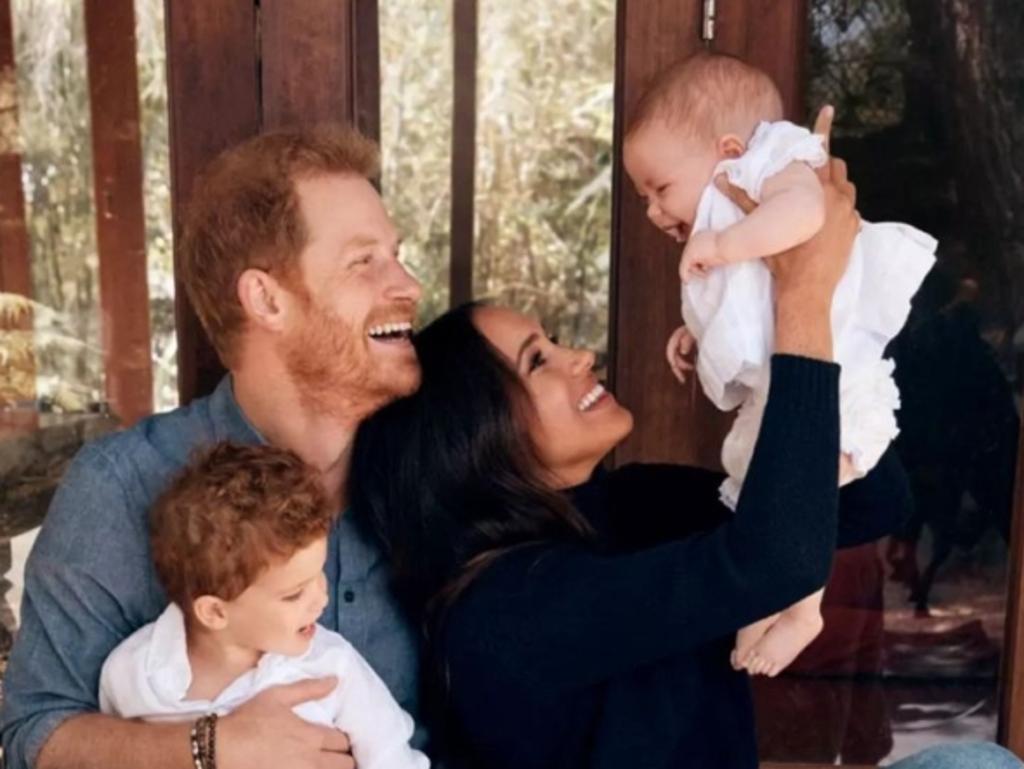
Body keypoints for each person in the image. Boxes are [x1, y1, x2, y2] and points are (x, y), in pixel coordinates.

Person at [351, 152, 1021, 768]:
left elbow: (870, 503)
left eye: (554, 340)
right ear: (474, 438)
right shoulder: (504, 612)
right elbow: (776, 561)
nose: (577, 356)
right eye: (538, 361)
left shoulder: (633, 504)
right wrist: (801, 301)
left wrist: (763, 369)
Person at [1, 125, 423, 769]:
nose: (409, 284)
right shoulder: (121, 486)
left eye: (396, 254)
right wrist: (208, 747)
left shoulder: (429, 473)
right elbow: (32, 733)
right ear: (265, 299)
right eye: (365, 261)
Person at [621, 52, 936, 676]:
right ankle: (768, 598)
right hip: (789, 376)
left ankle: (802, 608)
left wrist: (724, 243)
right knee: (757, 482)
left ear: (730, 149)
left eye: (661, 189)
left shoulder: (776, 163)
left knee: (802, 487)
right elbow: (752, 300)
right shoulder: (731, 210)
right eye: (643, 198)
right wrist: (695, 332)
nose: (655, 212)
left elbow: (806, 216)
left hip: (837, 374)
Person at [99, 442, 428, 769]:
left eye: (319, 575)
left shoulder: (330, 665)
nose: (322, 599)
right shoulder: (133, 674)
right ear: (215, 612)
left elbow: (390, 753)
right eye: (294, 594)